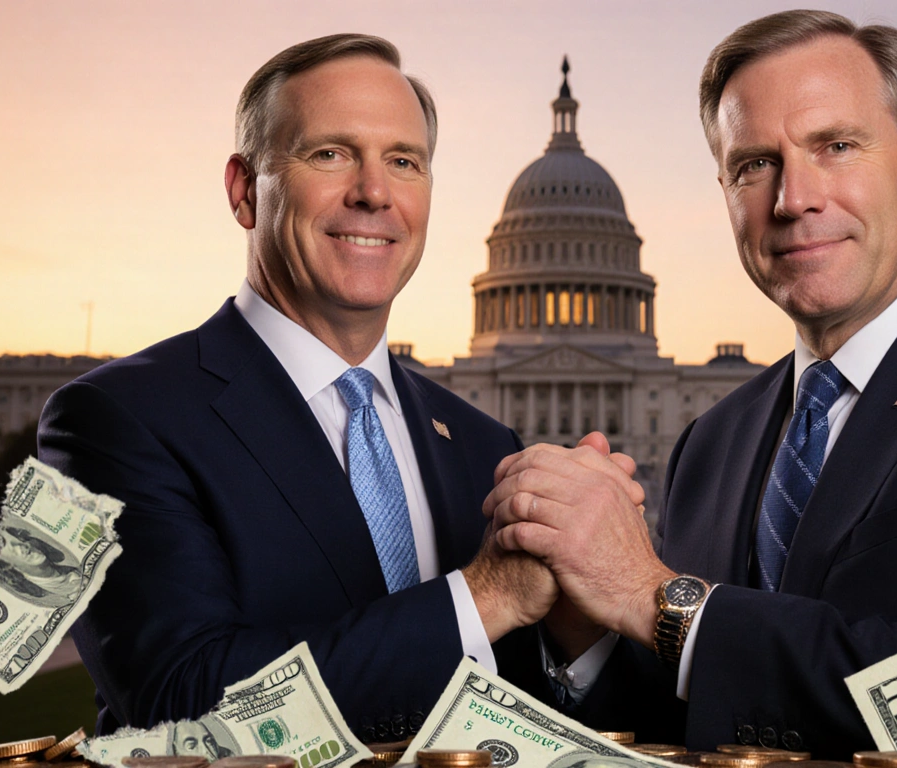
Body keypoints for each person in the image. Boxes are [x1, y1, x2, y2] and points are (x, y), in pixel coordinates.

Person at [483, 10, 897, 758]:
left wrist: (655, 600)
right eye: (754, 165)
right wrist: (581, 624)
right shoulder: (713, 441)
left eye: (836, 146)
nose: (793, 199)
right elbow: (684, 708)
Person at [38, 34, 563, 738]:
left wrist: (583, 623)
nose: (374, 193)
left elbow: (524, 704)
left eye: (403, 161)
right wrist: (486, 597)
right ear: (244, 190)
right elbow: (181, 706)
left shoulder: (480, 441)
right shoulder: (116, 419)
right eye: (330, 154)